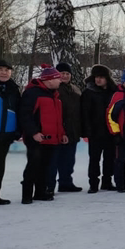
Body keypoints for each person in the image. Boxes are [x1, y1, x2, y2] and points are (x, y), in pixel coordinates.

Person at [19, 65, 67, 204]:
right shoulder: (33, 93)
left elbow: (58, 119)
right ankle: (26, 194)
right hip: (37, 138)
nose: (60, 80)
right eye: (58, 78)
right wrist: (33, 132)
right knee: (33, 166)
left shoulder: (55, 95)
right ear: (50, 80)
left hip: (51, 139)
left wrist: (62, 134)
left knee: (45, 167)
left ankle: (40, 192)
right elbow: (25, 115)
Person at [0, 59, 21, 209]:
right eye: (0, 69)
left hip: (5, 135)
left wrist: (17, 130)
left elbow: (19, 111)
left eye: (7, 70)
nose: (4, 72)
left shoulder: (13, 89)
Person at [81, 64, 117, 193]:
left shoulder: (114, 91)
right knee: (94, 159)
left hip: (110, 131)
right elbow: (84, 113)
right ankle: (93, 183)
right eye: (96, 77)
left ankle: (107, 181)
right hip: (95, 132)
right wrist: (87, 130)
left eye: (101, 77)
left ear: (107, 78)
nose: (98, 80)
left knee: (110, 158)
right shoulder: (88, 92)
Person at [47, 62, 82, 195]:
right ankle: (49, 185)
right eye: (62, 73)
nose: (65, 76)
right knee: (54, 160)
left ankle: (66, 182)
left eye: (67, 73)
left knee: (69, 160)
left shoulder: (75, 89)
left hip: (73, 130)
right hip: (58, 130)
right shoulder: (54, 90)